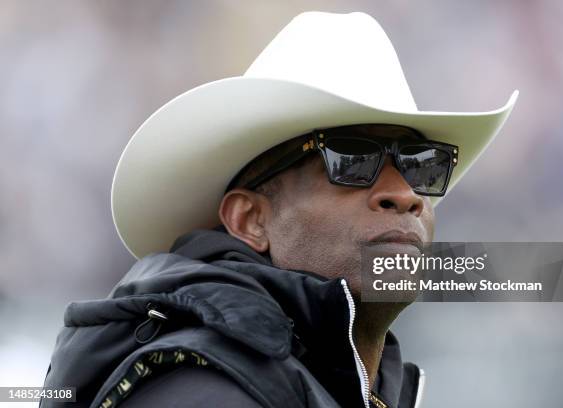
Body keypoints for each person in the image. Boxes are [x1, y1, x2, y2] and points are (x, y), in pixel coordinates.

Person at [42, 11, 517, 408]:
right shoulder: (206, 393)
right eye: (351, 160)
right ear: (251, 220)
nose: (406, 194)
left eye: (421, 166)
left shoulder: (311, 384)